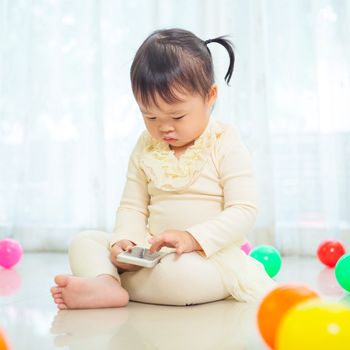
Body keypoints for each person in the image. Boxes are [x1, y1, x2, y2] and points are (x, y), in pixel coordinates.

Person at [51, 28, 275, 309]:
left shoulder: (225, 143)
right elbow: (132, 206)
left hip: (207, 258)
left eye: (177, 115)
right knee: (85, 242)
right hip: (151, 252)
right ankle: (109, 285)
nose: (164, 127)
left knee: (181, 277)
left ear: (210, 96)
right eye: (150, 115)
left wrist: (192, 239)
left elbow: (243, 210)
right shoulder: (146, 147)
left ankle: (109, 281)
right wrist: (125, 243)